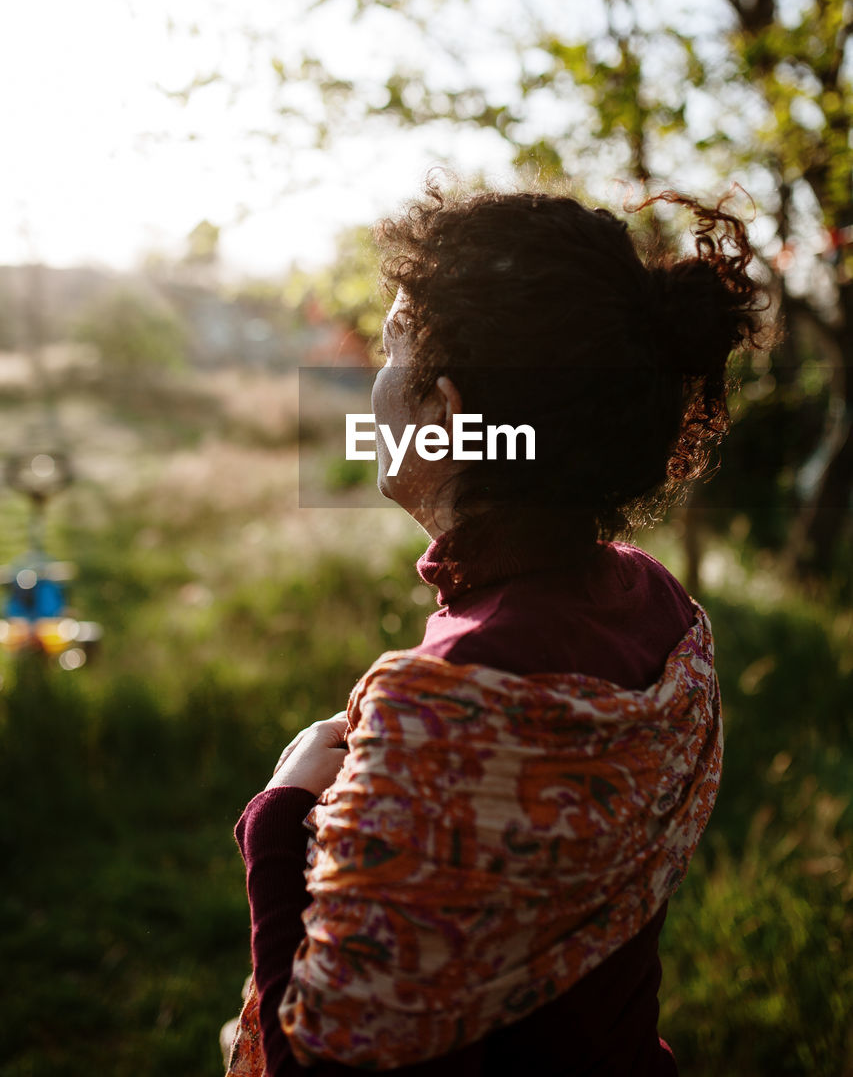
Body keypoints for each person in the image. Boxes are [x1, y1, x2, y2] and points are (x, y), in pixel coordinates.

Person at [226, 183, 778, 1076]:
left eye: (390, 346)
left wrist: (281, 813)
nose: (368, 383)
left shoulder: (447, 695)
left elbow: (323, 1058)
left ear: (446, 415)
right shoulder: (659, 609)